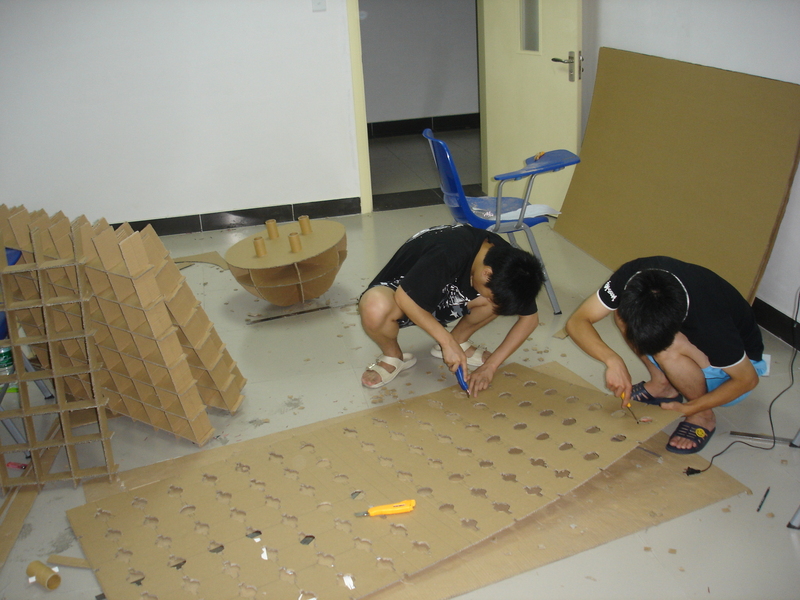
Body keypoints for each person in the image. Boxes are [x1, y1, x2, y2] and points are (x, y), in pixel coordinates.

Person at [565, 256, 766, 454]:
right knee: (622, 314)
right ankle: (662, 384)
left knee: (669, 349)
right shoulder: (632, 276)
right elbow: (578, 321)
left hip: (734, 370)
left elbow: (747, 380)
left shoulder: (710, 325)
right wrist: (613, 361)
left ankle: (703, 415)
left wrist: (692, 407)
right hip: (698, 343)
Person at [359, 224, 544, 397]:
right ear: (487, 273)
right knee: (374, 306)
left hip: (443, 298)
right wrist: (447, 342)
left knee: (497, 302)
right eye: (490, 294)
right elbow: (405, 298)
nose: (490, 300)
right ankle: (393, 356)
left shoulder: (511, 267)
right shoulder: (449, 250)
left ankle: (459, 341)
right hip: (402, 297)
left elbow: (530, 320)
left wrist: (491, 366)